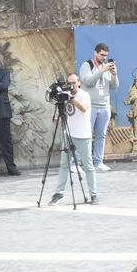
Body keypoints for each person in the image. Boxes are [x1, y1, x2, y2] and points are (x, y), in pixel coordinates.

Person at [46, 74, 97, 207]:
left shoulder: (83, 94)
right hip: (69, 134)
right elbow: (66, 114)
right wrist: (58, 117)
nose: (71, 85)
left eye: (73, 82)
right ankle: (59, 193)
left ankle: (93, 193)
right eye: (69, 83)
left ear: (79, 83)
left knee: (88, 166)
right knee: (64, 165)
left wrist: (71, 98)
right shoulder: (65, 94)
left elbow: (84, 108)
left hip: (83, 135)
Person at [77, 42, 117, 171]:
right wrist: (101, 71)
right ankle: (76, 162)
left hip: (104, 106)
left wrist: (114, 74)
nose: (104, 58)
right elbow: (88, 81)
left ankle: (98, 162)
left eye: (106, 55)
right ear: (95, 53)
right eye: (101, 55)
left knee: (101, 135)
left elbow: (114, 87)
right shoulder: (87, 65)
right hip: (89, 106)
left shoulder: (107, 67)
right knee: (85, 135)